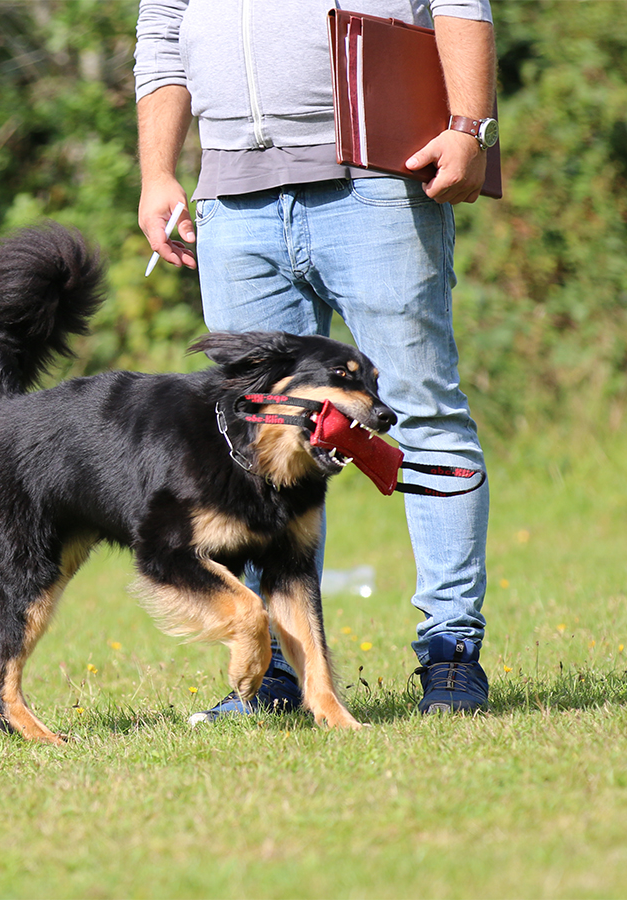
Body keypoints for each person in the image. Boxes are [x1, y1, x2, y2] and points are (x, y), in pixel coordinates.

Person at [134, 0, 496, 718]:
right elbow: (163, 28)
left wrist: (469, 127)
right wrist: (157, 172)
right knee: (254, 440)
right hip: (233, 197)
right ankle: (277, 675)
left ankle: (452, 654)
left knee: (421, 414)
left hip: (378, 177)